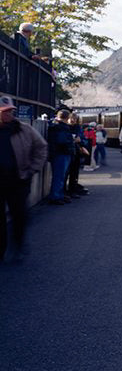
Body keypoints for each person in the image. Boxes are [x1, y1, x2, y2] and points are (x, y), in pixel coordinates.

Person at [0, 97, 48, 262]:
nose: (9, 114)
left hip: (18, 180)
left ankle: (18, 245)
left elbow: (41, 147)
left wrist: (33, 169)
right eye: (5, 111)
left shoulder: (24, 129)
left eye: (10, 111)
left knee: (19, 215)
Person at [46, 109, 74, 204]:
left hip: (59, 153)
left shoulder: (56, 125)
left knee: (60, 176)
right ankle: (55, 196)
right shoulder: (60, 127)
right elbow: (62, 141)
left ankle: (59, 195)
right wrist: (72, 141)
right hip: (61, 154)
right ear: (67, 118)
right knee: (59, 176)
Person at [65, 113, 89, 197]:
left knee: (74, 173)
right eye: (71, 118)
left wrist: (80, 140)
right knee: (65, 174)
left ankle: (72, 191)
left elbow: (84, 140)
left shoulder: (78, 128)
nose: (73, 120)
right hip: (67, 153)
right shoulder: (64, 127)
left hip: (76, 153)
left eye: (74, 119)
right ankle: (64, 192)